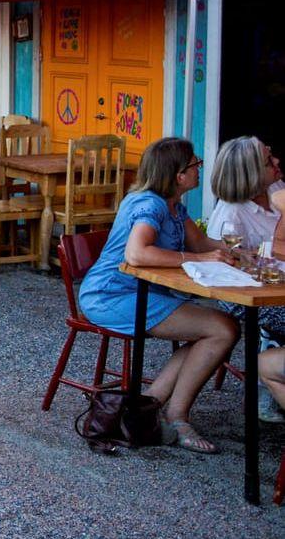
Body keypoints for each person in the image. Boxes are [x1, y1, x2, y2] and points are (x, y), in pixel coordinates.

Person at [78, 137, 241, 454]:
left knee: (218, 330)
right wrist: (200, 260)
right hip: (113, 296)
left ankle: (146, 407)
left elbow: (203, 244)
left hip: (136, 294)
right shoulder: (150, 205)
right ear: (179, 175)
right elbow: (137, 253)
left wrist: (245, 254)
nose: (199, 170)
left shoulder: (173, 206)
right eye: (195, 165)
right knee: (222, 328)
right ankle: (176, 416)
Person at [204, 136, 285, 422]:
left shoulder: (276, 189)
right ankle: (268, 386)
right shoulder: (231, 213)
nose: (276, 162)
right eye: (267, 162)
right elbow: (224, 267)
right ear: (250, 174)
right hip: (243, 294)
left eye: (271, 156)